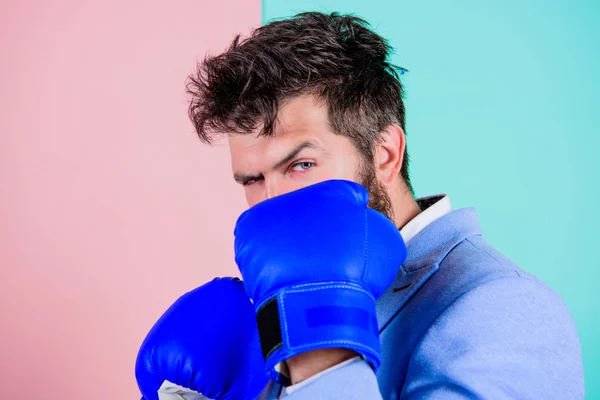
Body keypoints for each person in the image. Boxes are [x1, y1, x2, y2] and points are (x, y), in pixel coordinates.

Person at [135, 12, 585, 400]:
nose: (272, 202)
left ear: (385, 153)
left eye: (301, 165)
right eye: (252, 179)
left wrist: (319, 343)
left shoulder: (503, 306)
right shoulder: (274, 304)